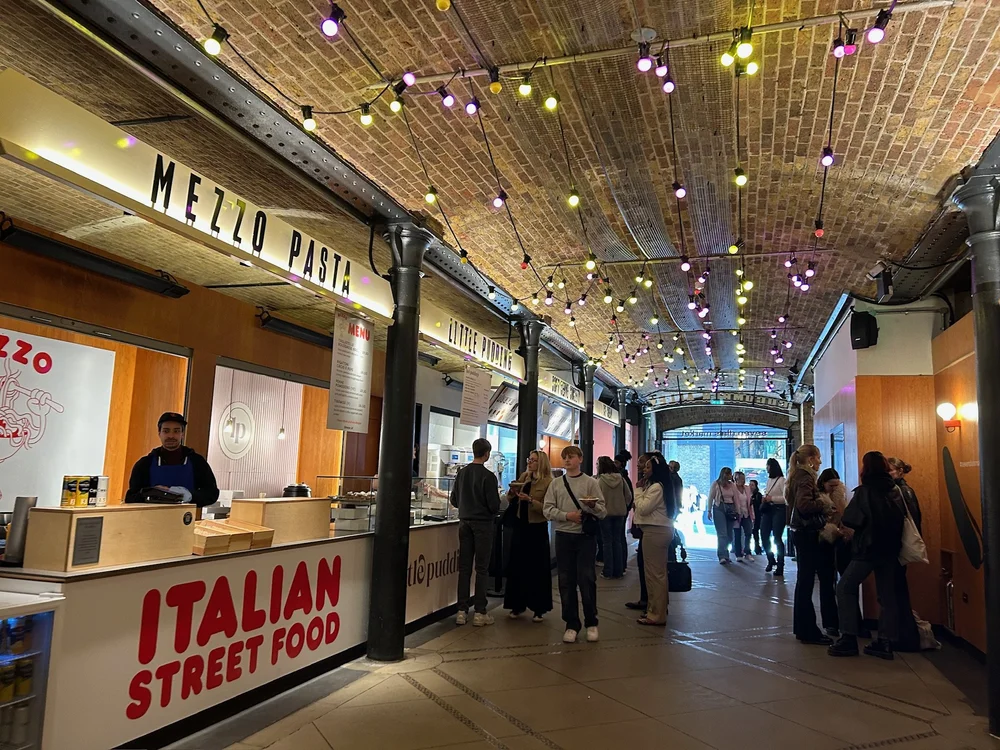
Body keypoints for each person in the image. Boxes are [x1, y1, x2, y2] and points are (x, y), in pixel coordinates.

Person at [828, 451, 906, 659]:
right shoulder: (896, 491)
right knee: (887, 595)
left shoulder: (865, 491)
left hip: (868, 549)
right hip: (891, 549)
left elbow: (851, 519)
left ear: (866, 468)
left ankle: (848, 638)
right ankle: (886, 642)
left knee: (845, 587)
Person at [544, 445, 607, 643]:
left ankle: (591, 622)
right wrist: (567, 516)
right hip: (563, 535)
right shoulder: (556, 484)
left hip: (585, 537)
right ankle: (571, 623)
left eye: (571, 457)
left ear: (580, 458)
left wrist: (592, 506)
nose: (567, 460)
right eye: (565, 457)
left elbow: (603, 511)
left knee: (587, 579)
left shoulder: (591, 482)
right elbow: (548, 509)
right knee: (565, 581)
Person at [787, 445, 836, 645]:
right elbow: (804, 505)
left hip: (800, 533)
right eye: (818, 457)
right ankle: (808, 630)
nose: (820, 462)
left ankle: (803, 627)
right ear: (810, 459)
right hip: (808, 533)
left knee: (804, 582)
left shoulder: (796, 475)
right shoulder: (806, 478)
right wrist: (824, 505)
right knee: (806, 582)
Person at [451, 438, 501, 627]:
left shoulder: (461, 473)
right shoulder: (489, 477)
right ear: (487, 454)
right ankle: (480, 612)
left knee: (464, 568)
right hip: (483, 525)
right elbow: (494, 506)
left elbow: (454, 500)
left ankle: (461, 611)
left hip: (464, 524)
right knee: (481, 569)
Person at [126, 412, 219, 506]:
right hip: (151, 519)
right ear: (159, 433)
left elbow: (212, 494)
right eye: (166, 431)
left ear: (182, 434)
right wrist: (151, 494)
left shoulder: (197, 462)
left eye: (176, 431)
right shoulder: (145, 464)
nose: (171, 436)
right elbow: (130, 498)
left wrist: (190, 496)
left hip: (186, 519)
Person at [503, 450, 554, 622]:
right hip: (520, 525)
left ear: (541, 463)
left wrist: (531, 500)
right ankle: (517, 605)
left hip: (537, 528)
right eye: (529, 459)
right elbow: (511, 499)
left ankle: (538, 607)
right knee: (517, 566)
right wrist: (512, 492)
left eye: (533, 460)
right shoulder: (524, 476)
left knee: (537, 568)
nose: (529, 463)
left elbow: (548, 509)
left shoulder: (548, 482)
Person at [633, 454, 674, 625]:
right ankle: (655, 610)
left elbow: (642, 508)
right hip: (657, 531)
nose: (644, 470)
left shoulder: (656, 487)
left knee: (655, 575)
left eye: (648, 467)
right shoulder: (657, 486)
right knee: (656, 574)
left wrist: (638, 491)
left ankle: (656, 614)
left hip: (655, 532)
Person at [887, 457, 922, 651]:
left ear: (900, 471)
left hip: (898, 547)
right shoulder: (900, 490)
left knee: (897, 591)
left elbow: (911, 522)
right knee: (897, 590)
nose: (889, 474)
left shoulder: (902, 491)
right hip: (898, 546)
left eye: (891, 471)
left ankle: (905, 637)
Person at [818, 468, 851, 636]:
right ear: (823, 483)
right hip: (824, 542)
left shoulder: (839, 498)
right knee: (827, 582)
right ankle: (831, 622)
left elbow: (844, 516)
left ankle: (845, 621)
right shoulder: (818, 498)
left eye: (836, 486)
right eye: (831, 485)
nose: (833, 488)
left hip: (838, 541)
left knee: (841, 582)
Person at [625, 453, 651, 612]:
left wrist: (639, 491)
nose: (638, 465)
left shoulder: (652, 485)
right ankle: (646, 599)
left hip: (652, 529)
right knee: (643, 565)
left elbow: (642, 506)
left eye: (643, 463)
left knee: (651, 569)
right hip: (644, 528)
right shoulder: (644, 483)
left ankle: (653, 604)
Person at [598, 456, 630, 579]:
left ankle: (608, 571)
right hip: (620, 514)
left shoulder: (600, 481)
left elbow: (597, 497)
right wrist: (622, 506)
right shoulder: (620, 479)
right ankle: (619, 570)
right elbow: (628, 496)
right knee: (617, 541)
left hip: (605, 514)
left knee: (607, 542)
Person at [760, 458, 788, 577]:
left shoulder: (782, 480)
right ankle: (771, 559)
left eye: (768, 466)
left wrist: (772, 499)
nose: (766, 468)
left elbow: (786, 498)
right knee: (764, 536)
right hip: (768, 510)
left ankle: (780, 565)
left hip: (779, 510)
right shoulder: (768, 480)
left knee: (777, 537)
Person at [709, 467, 738, 564]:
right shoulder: (716, 484)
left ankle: (725, 552)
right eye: (729, 474)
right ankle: (722, 555)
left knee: (729, 535)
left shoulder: (732, 485)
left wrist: (738, 511)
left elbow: (736, 499)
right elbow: (711, 497)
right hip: (719, 508)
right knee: (722, 534)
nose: (730, 476)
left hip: (730, 509)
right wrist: (709, 510)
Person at [731, 471, 754, 561]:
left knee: (748, 533)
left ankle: (747, 552)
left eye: (744, 479)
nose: (743, 481)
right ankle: (738, 554)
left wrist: (753, 515)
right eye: (741, 479)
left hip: (747, 514)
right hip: (737, 514)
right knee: (737, 534)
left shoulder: (747, 489)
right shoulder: (733, 489)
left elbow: (750, 502)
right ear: (736, 479)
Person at [749, 479, 764, 555]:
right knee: (750, 532)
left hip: (757, 516)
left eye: (752, 485)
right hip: (749, 515)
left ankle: (757, 547)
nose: (750, 486)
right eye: (750, 484)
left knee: (756, 532)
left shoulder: (758, 495)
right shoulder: (747, 494)